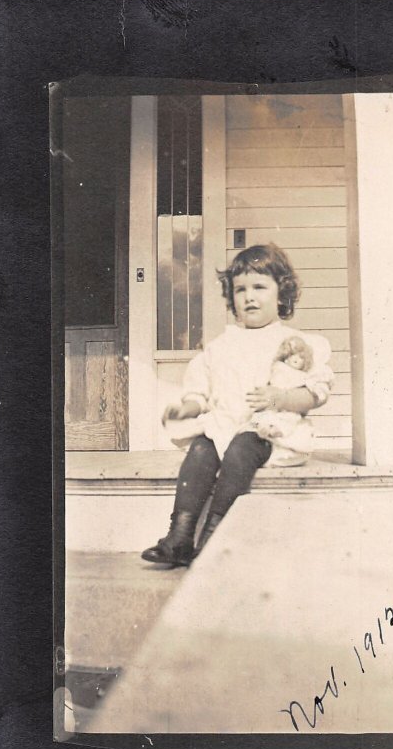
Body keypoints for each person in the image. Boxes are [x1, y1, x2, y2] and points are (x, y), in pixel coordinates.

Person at [141, 243, 333, 567]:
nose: (249, 297)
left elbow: (314, 394)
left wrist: (281, 397)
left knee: (241, 449)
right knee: (201, 449)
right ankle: (180, 535)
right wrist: (186, 409)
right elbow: (200, 391)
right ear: (232, 298)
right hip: (224, 426)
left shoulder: (294, 344)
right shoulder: (221, 347)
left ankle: (215, 535)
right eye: (240, 289)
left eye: (259, 287)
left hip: (268, 433)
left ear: (282, 294)